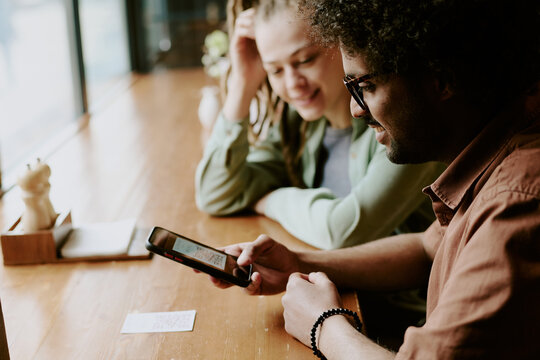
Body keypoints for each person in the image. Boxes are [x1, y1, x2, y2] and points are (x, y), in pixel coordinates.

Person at [204, 0, 540, 358]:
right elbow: (426, 249)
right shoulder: (494, 156)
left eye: (367, 85)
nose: (356, 109)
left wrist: (324, 324)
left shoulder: (517, 201)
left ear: (442, 79)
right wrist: (298, 264)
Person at [195, 0, 445, 250]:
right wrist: (242, 84)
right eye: (276, 71)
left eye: (305, 60)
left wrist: (269, 201)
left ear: (342, 41)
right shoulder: (298, 124)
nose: (293, 83)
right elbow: (215, 195)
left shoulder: (398, 124)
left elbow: (343, 231)